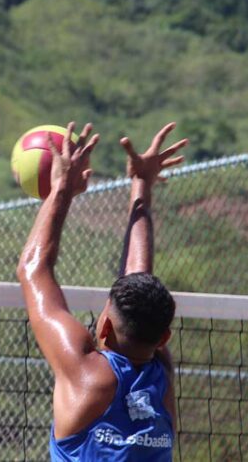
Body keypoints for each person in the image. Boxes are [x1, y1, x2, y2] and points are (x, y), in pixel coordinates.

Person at [16, 121, 187, 461]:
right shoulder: (162, 381)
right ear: (164, 338)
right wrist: (141, 185)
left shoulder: (86, 374)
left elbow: (32, 269)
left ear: (105, 327)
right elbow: (137, 281)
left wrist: (62, 188)